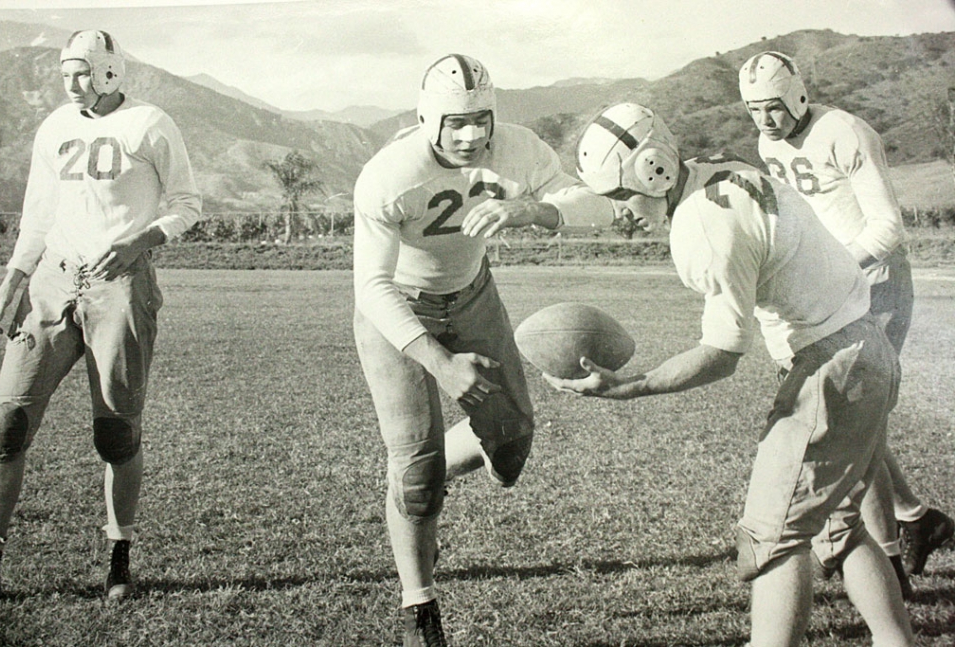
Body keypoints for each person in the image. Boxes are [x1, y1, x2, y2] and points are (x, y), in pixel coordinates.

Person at [549, 102, 914, 647]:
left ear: (656, 170)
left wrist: (628, 386)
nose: (617, 211)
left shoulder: (701, 227)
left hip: (833, 366)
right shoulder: (714, 166)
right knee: (839, 523)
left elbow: (721, 354)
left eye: (620, 196)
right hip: (868, 349)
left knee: (770, 538)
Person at [352, 53, 611, 646]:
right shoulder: (390, 173)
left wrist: (535, 209)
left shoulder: (519, 148)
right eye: (454, 123)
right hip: (398, 309)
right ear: (426, 118)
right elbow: (371, 286)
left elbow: (597, 205)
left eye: (480, 120)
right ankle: (421, 603)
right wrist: (441, 365)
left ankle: (414, 464)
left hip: (473, 297)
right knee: (417, 477)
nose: (470, 136)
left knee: (513, 443)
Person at [0, 30, 201, 603]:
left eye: (81, 72)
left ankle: (118, 558)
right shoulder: (55, 126)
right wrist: (14, 276)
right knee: (6, 426)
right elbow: (38, 211)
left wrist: (140, 241)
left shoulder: (151, 123)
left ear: (109, 72)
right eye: (65, 74)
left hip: (121, 285)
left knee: (116, 432)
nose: (71, 83)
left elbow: (187, 204)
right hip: (54, 279)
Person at [738, 50, 953, 591]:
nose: (766, 120)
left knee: (856, 422)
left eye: (774, 107)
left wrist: (831, 268)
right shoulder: (768, 143)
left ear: (798, 96)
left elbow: (887, 231)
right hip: (827, 291)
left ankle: (891, 557)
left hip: (876, 285)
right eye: (754, 109)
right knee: (857, 422)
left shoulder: (844, 131)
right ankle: (911, 520)